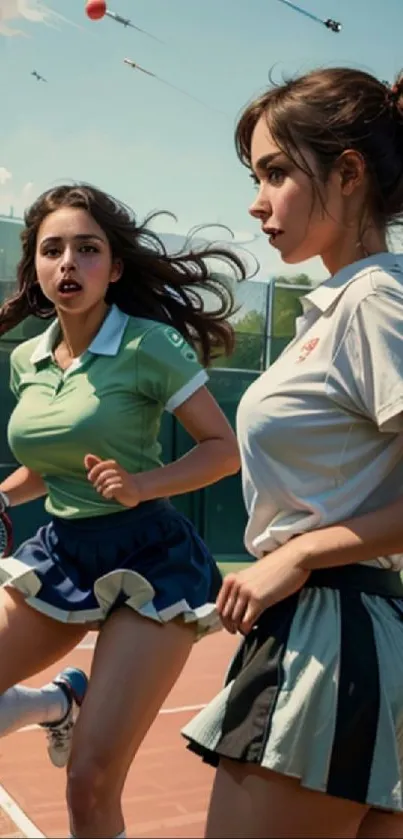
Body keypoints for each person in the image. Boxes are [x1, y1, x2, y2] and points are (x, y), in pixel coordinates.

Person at [182, 67, 403, 839]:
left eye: (275, 172)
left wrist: (298, 555)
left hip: (327, 639)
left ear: (347, 174)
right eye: (256, 175)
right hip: (345, 635)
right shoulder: (348, 301)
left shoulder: (372, 300)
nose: (256, 200)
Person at [0, 182, 243, 839]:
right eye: (53, 250)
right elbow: (45, 468)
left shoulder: (148, 345)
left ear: (115, 266)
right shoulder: (26, 359)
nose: (68, 263)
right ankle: (53, 702)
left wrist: (142, 483)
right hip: (60, 551)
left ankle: (64, 710)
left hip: (150, 561)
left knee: (89, 780)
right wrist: (2, 493)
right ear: (37, 270)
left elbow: (223, 451)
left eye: (87, 248)